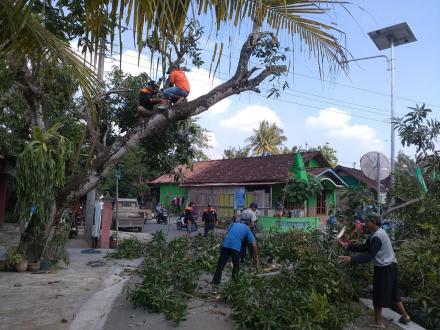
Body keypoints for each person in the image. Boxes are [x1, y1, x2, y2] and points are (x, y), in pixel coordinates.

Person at [339, 215, 411, 328]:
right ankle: (405, 316)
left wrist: (352, 259)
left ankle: (379, 323)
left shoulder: (378, 237)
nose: (365, 223)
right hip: (391, 265)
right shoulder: (376, 234)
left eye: (367, 221)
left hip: (385, 268)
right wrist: (348, 246)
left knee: (378, 294)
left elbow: (369, 255)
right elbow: (365, 247)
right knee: (393, 292)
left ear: (373, 222)